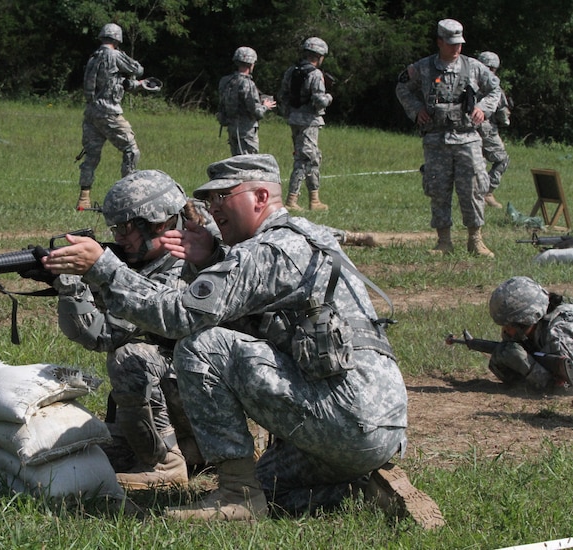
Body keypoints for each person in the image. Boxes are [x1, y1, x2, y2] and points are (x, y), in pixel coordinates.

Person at [41, 154, 443, 528]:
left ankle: (236, 497)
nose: (212, 208)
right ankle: (363, 486)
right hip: (374, 424)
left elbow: (181, 317)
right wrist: (212, 256)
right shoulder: (304, 237)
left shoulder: (270, 249)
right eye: (209, 199)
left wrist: (105, 268)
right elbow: (255, 315)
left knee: (202, 346)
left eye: (222, 197)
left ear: (261, 196)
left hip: (346, 415)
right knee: (271, 489)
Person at [52, 170, 210, 489]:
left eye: (125, 227)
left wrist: (75, 288)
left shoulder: (188, 264)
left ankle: (166, 464)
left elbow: (104, 334)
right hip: (194, 388)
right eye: (115, 228)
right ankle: (131, 445)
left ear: (160, 223)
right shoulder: (163, 254)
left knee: (133, 358)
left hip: (209, 398)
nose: (119, 238)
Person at [396, 19, 501, 258]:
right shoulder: (423, 68)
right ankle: (444, 241)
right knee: (438, 188)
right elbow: (402, 88)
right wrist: (416, 110)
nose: (456, 48)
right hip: (436, 138)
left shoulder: (474, 67)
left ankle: (476, 240)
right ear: (439, 42)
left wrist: (483, 108)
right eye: (451, 43)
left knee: (473, 187)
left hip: (467, 137)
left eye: (459, 43)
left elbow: (495, 89)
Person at [75, 23, 144, 211]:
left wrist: (126, 84)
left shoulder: (93, 57)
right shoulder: (114, 55)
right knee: (131, 150)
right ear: (117, 39)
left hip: (91, 113)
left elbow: (106, 82)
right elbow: (137, 69)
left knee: (91, 157)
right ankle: (127, 195)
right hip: (109, 112)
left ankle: (83, 199)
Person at [487, 276, 573, 391]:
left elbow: (567, 388)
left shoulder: (558, 335)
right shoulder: (535, 330)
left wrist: (531, 369)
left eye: (509, 325)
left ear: (526, 319)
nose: (505, 331)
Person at [277, 37, 333, 212]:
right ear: (319, 56)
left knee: (311, 158)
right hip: (309, 121)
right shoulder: (315, 74)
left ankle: (314, 199)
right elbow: (319, 101)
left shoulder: (291, 71)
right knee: (304, 159)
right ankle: (292, 200)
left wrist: (289, 113)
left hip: (294, 120)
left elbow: (282, 95)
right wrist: (329, 97)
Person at [216, 47, 276, 156]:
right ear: (251, 64)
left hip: (232, 128)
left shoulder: (226, 81)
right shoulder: (248, 84)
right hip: (246, 132)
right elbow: (256, 112)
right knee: (248, 164)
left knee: (236, 162)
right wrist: (265, 106)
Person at [476, 51, 511, 209]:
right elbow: (502, 113)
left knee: (477, 163)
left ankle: (477, 194)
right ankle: (487, 192)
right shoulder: (494, 86)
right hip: (486, 129)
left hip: (466, 129)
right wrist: (506, 120)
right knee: (502, 159)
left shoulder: (466, 82)